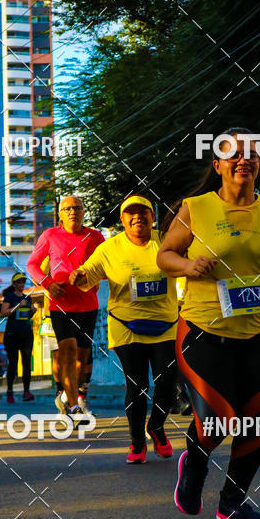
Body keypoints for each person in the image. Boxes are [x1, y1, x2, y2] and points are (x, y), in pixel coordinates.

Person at [157, 129, 260, 519]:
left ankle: (232, 502)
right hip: (205, 329)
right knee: (218, 420)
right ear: (218, 164)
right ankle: (194, 464)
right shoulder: (196, 208)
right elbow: (165, 254)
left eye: (251, 155)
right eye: (233, 154)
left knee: (256, 422)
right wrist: (189, 266)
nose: (244, 160)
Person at [70, 195, 177, 462]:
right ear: (122, 219)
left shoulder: (168, 240)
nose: (138, 217)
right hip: (126, 325)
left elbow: (191, 263)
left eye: (144, 212)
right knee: (137, 384)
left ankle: (156, 425)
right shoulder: (110, 248)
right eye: (131, 213)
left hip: (167, 324)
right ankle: (137, 442)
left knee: (167, 382)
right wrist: (79, 276)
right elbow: (88, 272)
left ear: (153, 217)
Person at [26, 196, 104, 417]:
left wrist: (95, 278)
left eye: (77, 208)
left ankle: (76, 395)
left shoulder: (95, 236)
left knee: (82, 358)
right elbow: (32, 265)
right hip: (59, 305)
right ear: (60, 214)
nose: (73, 212)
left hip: (88, 305)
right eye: (67, 208)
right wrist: (48, 284)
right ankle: (72, 405)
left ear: (83, 211)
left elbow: (108, 264)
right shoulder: (49, 236)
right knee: (65, 354)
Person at [1, 272, 35, 403]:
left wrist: (32, 312)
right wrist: (17, 306)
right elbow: (3, 313)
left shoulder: (28, 298)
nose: (22, 284)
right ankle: (10, 391)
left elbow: (26, 316)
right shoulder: (9, 297)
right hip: (12, 334)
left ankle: (26, 392)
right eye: (19, 282)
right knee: (13, 363)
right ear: (14, 284)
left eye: (23, 282)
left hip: (26, 333)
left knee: (26, 363)